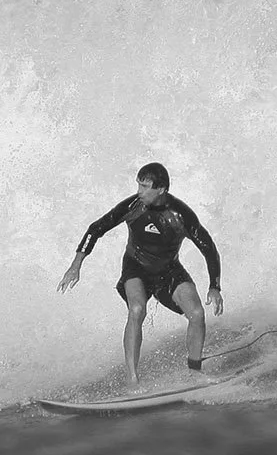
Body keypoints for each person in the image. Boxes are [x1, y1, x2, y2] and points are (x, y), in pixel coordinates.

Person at [58, 162, 224, 384]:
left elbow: (208, 248)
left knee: (196, 314)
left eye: (146, 187)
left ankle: (195, 372)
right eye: (138, 185)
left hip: (169, 270)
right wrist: (76, 265)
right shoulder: (133, 207)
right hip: (136, 268)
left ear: (161, 189)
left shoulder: (180, 215)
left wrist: (214, 286)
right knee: (136, 309)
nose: (139, 191)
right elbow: (95, 229)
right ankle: (133, 380)